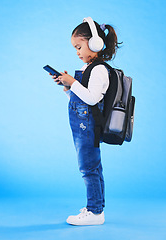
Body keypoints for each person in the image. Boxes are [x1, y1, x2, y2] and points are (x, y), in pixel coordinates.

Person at [51, 17, 121, 226]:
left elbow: (92, 98)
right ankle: (96, 206)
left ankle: (94, 211)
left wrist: (73, 82)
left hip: (88, 127)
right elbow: (81, 100)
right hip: (83, 125)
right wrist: (67, 88)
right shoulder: (90, 68)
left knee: (88, 168)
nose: (77, 52)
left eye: (79, 46)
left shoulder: (99, 69)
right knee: (93, 168)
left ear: (94, 44)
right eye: (75, 48)